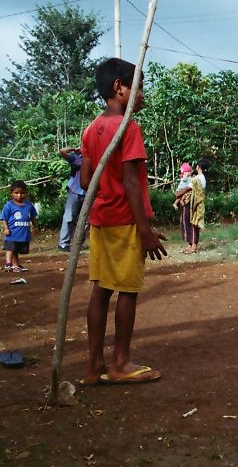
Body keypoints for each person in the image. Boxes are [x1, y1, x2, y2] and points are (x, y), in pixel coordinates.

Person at [79, 57, 167, 386]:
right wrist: (144, 231)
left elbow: (87, 181)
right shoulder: (128, 127)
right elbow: (132, 183)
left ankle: (93, 367)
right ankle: (121, 362)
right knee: (128, 291)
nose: (142, 94)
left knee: (100, 291)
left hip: (101, 220)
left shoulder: (92, 129)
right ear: (120, 87)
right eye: (138, 87)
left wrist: (109, 192)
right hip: (124, 219)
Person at [2, 180, 39, 274]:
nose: (19, 195)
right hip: (12, 233)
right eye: (16, 193)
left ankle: (16, 265)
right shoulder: (9, 205)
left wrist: (36, 227)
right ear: (11, 193)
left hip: (23, 233)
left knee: (16, 250)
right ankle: (8, 264)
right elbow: (4, 218)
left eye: (22, 193)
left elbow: (33, 217)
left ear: (26, 193)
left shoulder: (29, 205)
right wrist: (6, 228)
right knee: (10, 248)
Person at [176, 158, 209, 254]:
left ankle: (193, 246)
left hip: (193, 204)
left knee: (192, 223)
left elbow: (187, 188)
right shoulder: (201, 178)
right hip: (191, 203)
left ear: (198, 167)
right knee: (187, 222)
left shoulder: (198, 178)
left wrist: (178, 194)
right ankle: (190, 244)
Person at [58, 147, 86, 251]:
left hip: (89, 193)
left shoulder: (96, 158)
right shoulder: (78, 159)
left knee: (86, 221)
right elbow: (62, 151)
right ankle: (63, 244)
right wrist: (74, 149)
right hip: (74, 190)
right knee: (69, 217)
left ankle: (78, 244)